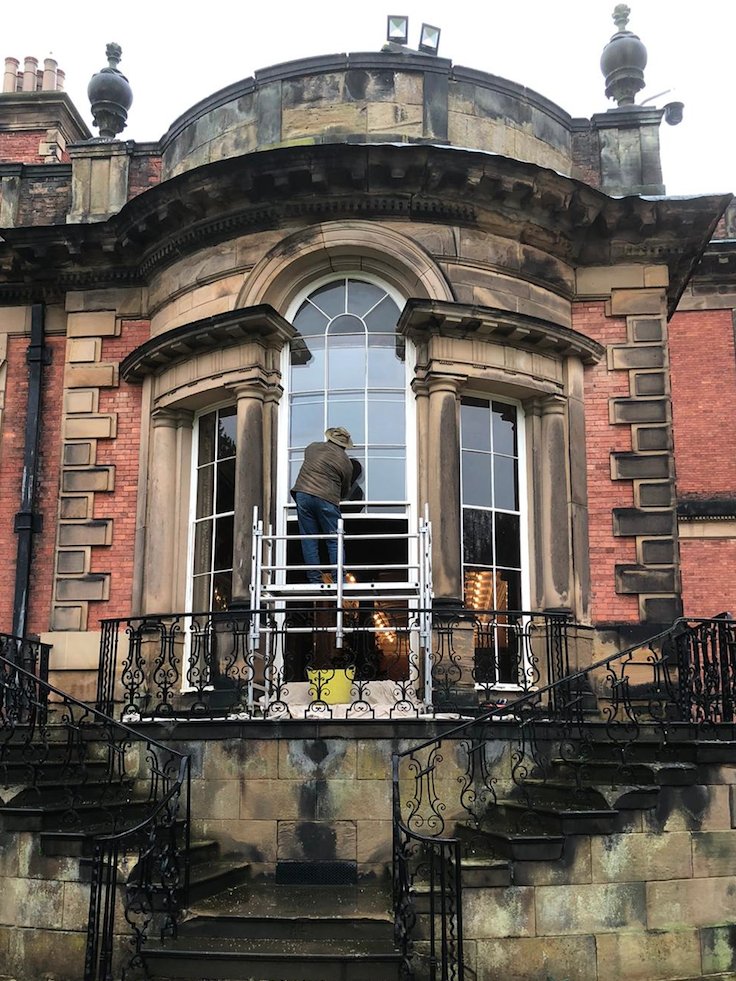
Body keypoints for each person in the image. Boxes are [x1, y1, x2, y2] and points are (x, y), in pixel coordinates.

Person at [291, 427, 354, 584]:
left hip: (303, 494)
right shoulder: (346, 463)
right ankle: (338, 578)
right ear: (344, 445)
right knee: (334, 539)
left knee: (309, 538)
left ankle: (314, 580)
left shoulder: (312, 447)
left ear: (330, 438)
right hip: (327, 499)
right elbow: (345, 491)